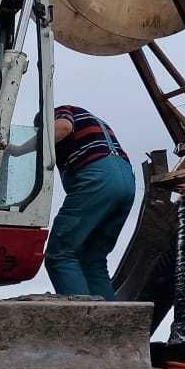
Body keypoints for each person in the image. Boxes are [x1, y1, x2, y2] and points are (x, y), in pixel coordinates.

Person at [43, 105, 135, 297]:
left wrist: (27, 147)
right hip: (126, 181)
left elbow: (64, 128)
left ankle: (82, 323)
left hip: (98, 178)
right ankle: (111, 324)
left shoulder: (61, 111)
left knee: (60, 254)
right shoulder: (94, 121)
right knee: (93, 258)